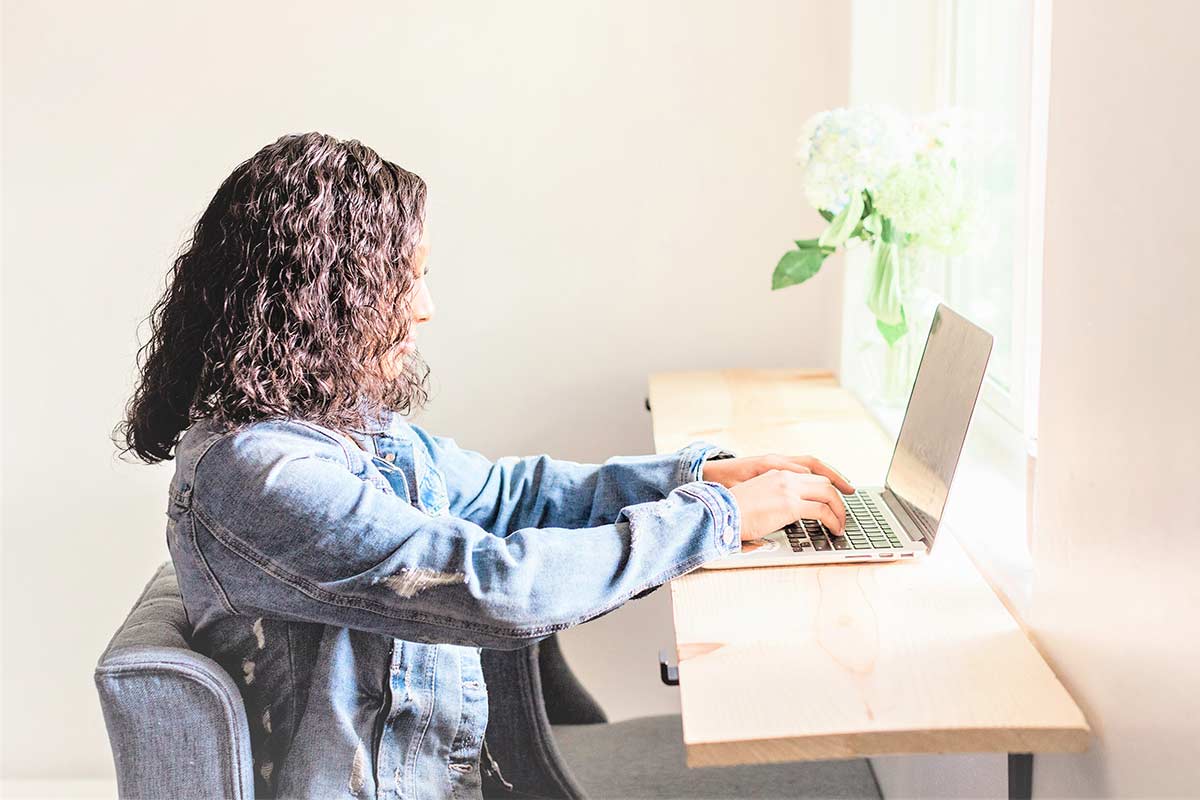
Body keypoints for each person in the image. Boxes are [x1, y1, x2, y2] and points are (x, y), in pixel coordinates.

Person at [117, 132, 853, 799]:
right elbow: (493, 587)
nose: (426, 307)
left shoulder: (339, 428)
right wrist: (714, 522)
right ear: (324, 295)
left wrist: (694, 477)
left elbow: (509, 495)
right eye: (404, 278)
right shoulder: (262, 477)